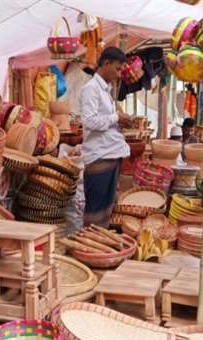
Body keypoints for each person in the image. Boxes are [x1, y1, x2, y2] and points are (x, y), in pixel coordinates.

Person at [80, 46, 131, 227]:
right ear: (106, 63)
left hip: (110, 153)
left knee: (106, 205)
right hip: (99, 155)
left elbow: (104, 121)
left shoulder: (104, 90)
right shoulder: (91, 89)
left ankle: (99, 243)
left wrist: (119, 122)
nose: (119, 74)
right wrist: (117, 117)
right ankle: (89, 245)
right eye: (117, 68)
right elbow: (90, 121)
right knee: (96, 205)